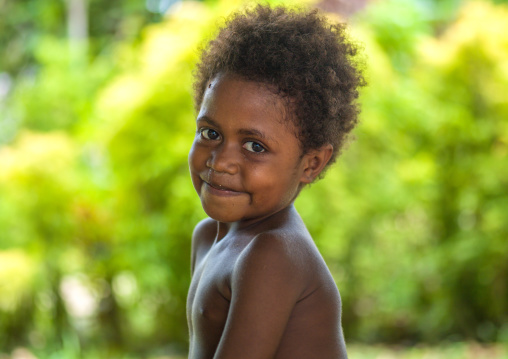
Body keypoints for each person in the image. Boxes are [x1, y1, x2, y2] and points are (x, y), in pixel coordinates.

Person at [186, 4, 365, 359]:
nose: (220, 161)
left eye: (255, 146)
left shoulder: (273, 254)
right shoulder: (208, 236)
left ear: (311, 164)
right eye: (210, 132)